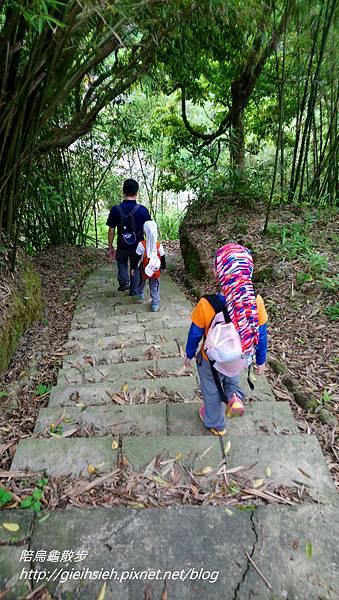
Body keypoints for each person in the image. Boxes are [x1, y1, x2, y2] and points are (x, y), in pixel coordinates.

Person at [184, 243, 268, 436]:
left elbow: (195, 334)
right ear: (249, 271)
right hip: (239, 356)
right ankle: (234, 398)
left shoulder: (206, 304)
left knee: (211, 390)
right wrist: (261, 361)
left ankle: (216, 423)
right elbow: (261, 335)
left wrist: (189, 355)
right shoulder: (256, 302)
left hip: (211, 358)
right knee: (231, 376)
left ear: (216, 272)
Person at [107, 179, 151, 295]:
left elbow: (111, 230)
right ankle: (134, 290)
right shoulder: (143, 210)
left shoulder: (115, 209)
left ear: (123, 192)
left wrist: (110, 246)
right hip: (139, 246)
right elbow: (149, 230)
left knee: (121, 262)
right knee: (135, 266)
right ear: (137, 193)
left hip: (122, 245)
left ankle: (124, 283)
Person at [131, 221, 166, 312]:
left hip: (143, 268)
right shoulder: (159, 245)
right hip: (155, 270)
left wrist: (133, 267)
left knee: (141, 282)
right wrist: (163, 268)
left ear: (145, 232)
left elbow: (136, 258)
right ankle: (155, 304)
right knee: (154, 286)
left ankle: (140, 293)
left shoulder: (141, 245)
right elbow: (162, 258)